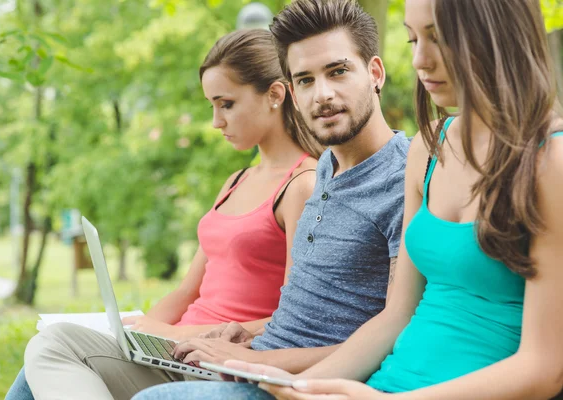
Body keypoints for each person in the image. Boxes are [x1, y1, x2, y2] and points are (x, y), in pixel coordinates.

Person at [133, 0, 563, 398]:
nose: (419, 60)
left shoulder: (552, 162)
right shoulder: (429, 149)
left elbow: (546, 369)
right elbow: (396, 316)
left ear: (496, 31)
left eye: (439, 37)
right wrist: (301, 385)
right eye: (414, 40)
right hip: (379, 382)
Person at [5, 28, 323, 400]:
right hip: (177, 355)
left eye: (227, 104)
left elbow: (291, 319)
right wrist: (141, 332)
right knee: (44, 355)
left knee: (55, 345)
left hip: (217, 362)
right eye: (212, 106)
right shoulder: (236, 182)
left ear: (275, 94)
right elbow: (187, 291)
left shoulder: (303, 185)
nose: (216, 121)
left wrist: (180, 335)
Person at [132, 0, 413, 399]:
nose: (323, 94)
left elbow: (395, 330)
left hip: (298, 380)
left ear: (375, 73)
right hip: (251, 360)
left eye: (338, 71)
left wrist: (264, 363)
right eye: (305, 80)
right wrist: (242, 336)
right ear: (293, 94)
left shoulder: (404, 177)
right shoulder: (325, 169)